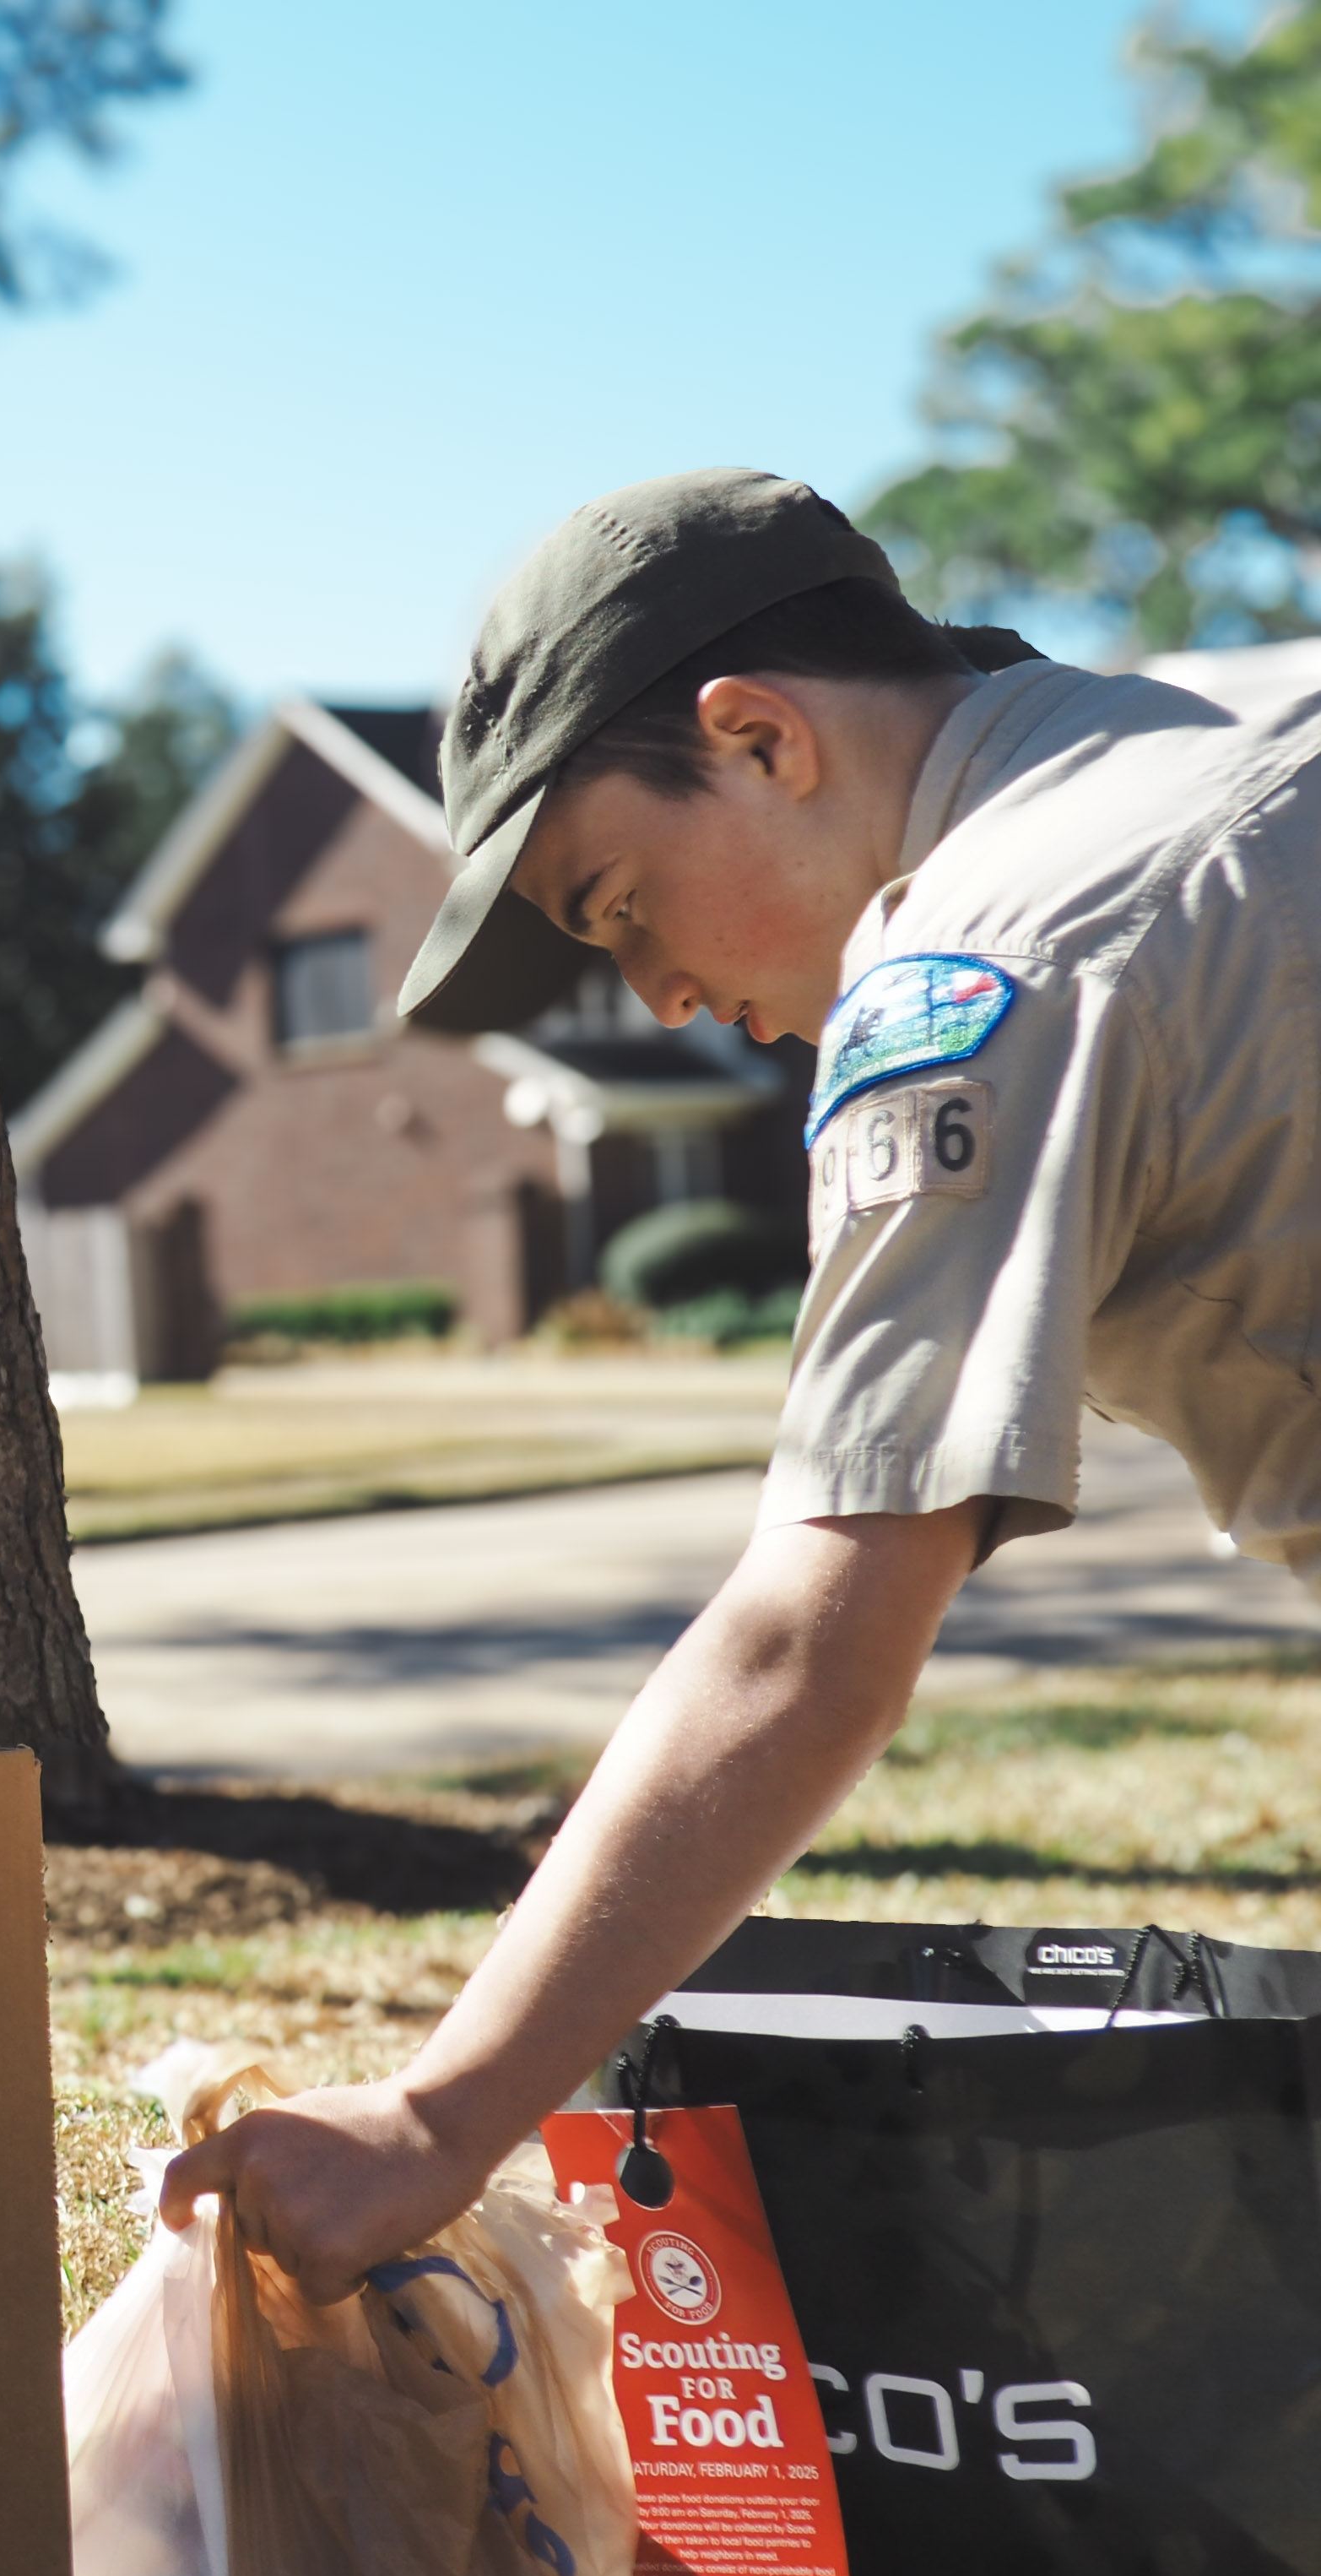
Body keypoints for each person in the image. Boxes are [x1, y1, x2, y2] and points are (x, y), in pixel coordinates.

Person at [165, 466, 1321, 2295]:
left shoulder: (980, 972)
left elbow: (812, 1634)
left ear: (760, 736)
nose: (662, 998)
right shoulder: (1247, 713)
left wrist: (439, 2120)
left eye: (619, 905)